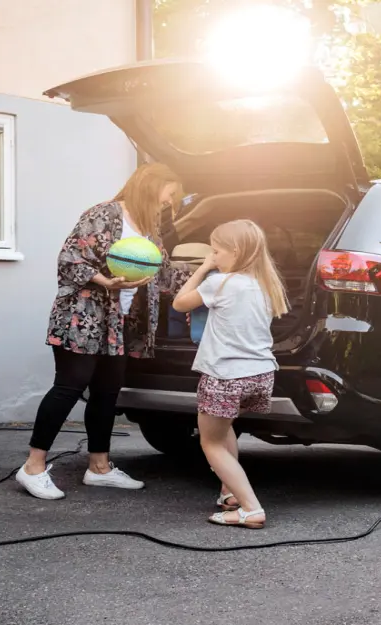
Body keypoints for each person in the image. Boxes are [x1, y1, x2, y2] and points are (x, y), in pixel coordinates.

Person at [15, 163, 186, 500]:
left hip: (117, 323)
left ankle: (99, 467)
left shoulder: (149, 227)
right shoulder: (105, 213)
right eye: (168, 196)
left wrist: (213, 272)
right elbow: (71, 258)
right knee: (68, 387)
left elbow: (162, 272)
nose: (168, 204)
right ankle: (32, 467)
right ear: (151, 187)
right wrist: (105, 281)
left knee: (108, 392)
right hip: (83, 318)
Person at [171, 219, 288, 529]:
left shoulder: (219, 282)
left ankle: (251, 508)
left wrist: (202, 268)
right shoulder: (265, 284)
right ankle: (230, 494)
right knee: (224, 432)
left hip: (225, 376)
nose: (213, 256)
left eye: (216, 251)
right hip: (261, 374)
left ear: (234, 252)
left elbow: (179, 302)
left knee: (210, 442)